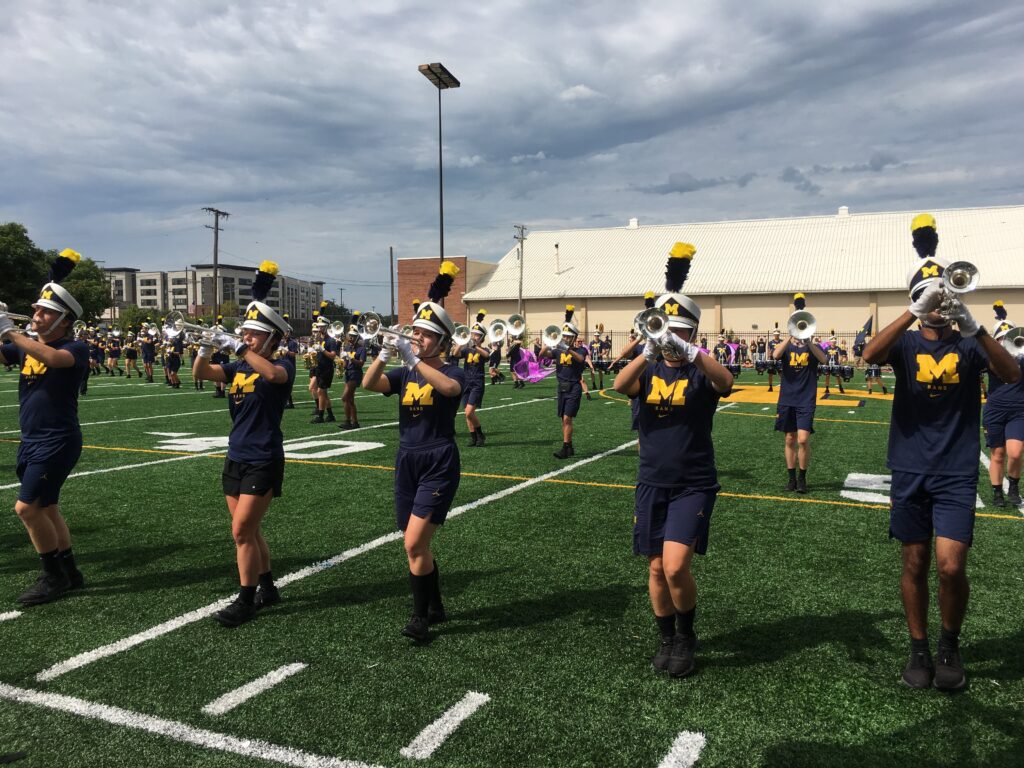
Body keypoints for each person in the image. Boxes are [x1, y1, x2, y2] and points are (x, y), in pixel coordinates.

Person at [863, 213, 1020, 691]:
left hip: (953, 471)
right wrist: (914, 309)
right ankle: (919, 647)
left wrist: (975, 328)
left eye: (941, 297)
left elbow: (1012, 374)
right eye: (929, 297)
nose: (938, 305)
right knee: (915, 562)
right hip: (909, 467)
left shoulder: (970, 346)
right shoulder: (906, 344)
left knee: (952, 566)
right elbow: (868, 355)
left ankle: (949, 643)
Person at [613, 242, 733, 678]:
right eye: (665, 332)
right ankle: (666, 637)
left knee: (677, 564)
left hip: (693, 481)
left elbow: (727, 383)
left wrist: (692, 353)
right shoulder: (648, 369)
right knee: (656, 567)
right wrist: (647, 350)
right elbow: (619, 386)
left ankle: (686, 635)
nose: (669, 341)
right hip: (652, 480)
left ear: (692, 334)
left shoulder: (700, 371)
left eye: (678, 332)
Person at [362, 261, 465, 642]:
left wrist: (414, 358)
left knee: (413, 543)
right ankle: (436, 605)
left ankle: (420, 617)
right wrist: (387, 353)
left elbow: (451, 391)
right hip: (407, 457)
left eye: (424, 334)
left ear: (441, 340)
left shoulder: (453, 370)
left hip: (438, 458)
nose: (416, 337)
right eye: (415, 332)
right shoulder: (406, 370)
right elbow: (370, 384)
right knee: (413, 540)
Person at [193, 261, 295, 627]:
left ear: (271, 339)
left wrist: (239, 348)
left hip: (263, 457)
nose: (247, 337)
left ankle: (246, 599)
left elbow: (272, 375)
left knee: (241, 532)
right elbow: (200, 374)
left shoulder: (283, 364)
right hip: (235, 454)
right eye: (246, 333)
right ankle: (268, 586)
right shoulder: (239, 368)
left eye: (254, 334)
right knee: (248, 531)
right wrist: (205, 348)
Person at [0, 249, 89, 605]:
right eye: (36, 310)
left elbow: (53, 359)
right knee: (48, 508)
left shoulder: (74, 347)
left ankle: (52, 577)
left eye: (44, 312)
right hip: (32, 439)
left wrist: (9, 329)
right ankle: (70, 571)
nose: (36, 316)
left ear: (64, 320)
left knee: (27, 509)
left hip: (58, 440)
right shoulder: (27, 347)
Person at [772, 294, 826, 493]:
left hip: (806, 399)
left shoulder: (813, 348)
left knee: (803, 439)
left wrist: (809, 340)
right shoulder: (786, 347)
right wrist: (790, 335)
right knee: (789, 439)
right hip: (787, 398)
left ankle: (803, 478)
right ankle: (791, 478)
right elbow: (775, 355)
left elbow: (824, 360)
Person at [983, 302, 1024, 507]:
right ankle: (997, 491)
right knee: (997, 454)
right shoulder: (991, 358)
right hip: (995, 410)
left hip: (1019, 410)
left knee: (1016, 453)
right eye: (1002, 337)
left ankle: (1014, 486)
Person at [539, 305, 588, 459]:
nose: (565, 338)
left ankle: (565, 447)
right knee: (563, 419)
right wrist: (549, 341)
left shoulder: (580, 350)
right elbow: (542, 355)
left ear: (574, 337)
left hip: (574, 387)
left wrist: (568, 349)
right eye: (564, 336)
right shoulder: (558, 350)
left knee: (567, 418)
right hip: (561, 388)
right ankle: (569, 446)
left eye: (568, 336)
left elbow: (581, 359)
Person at [455, 312, 489, 445]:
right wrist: (460, 342)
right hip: (466, 382)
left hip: (477, 383)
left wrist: (475, 346)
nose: (474, 337)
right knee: (466, 412)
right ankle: (474, 436)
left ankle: (480, 434)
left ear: (482, 337)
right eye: (473, 334)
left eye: (477, 335)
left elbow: (486, 355)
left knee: (470, 412)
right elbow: (455, 354)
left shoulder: (483, 349)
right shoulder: (467, 349)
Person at [311, 313, 339, 424]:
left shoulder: (331, 341)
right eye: (319, 326)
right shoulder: (318, 339)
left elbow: (333, 355)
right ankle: (331, 415)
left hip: (326, 369)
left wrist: (322, 350)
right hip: (319, 367)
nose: (319, 328)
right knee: (323, 393)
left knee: (321, 392)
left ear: (327, 326)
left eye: (322, 326)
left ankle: (321, 416)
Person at [338, 324, 366, 429]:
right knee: (350, 400)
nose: (351, 338)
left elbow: (361, 363)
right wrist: (341, 362)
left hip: (356, 373)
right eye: (350, 335)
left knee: (344, 397)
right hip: (348, 373)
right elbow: (345, 365)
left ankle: (347, 421)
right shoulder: (347, 347)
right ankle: (355, 422)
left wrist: (351, 358)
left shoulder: (361, 349)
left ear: (358, 337)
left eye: (353, 336)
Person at [766, 328, 783, 392]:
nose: (777, 335)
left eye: (778, 334)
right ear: (774, 335)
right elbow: (769, 350)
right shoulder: (771, 342)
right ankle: (770, 387)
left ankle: (782, 387)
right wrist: (768, 357)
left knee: (780, 373)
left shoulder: (782, 342)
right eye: (775, 334)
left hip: (780, 359)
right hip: (772, 359)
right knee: (770, 374)